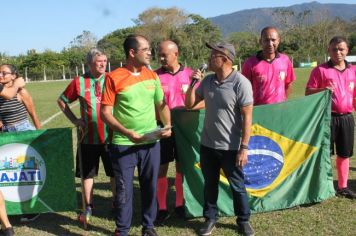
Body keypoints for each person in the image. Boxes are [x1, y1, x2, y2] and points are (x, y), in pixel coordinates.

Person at [100, 35, 171, 236]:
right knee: (124, 191)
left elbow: (161, 104)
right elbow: (105, 113)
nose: (150, 53)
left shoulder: (152, 75)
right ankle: (122, 230)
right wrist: (128, 133)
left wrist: (167, 125)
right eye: (146, 49)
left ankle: (148, 227)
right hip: (124, 144)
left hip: (151, 143)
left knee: (150, 186)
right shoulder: (114, 77)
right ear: (132, 52)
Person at [185, 42, 254, 236]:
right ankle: (210, 218)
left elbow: (247, 116)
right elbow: (189, 105)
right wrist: (193, 84)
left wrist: (244, 147)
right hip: (208, 145)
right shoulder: (207, 81)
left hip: (231, 147)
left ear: (224, 59)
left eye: (213, 55)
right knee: (210, 184)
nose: (208, 58)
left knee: (237, 186)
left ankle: (243, 220)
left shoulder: (241, 83)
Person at [57, 48, 116, 222]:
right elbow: (61, 101)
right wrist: (75, 120)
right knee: (87, 174)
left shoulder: (112, 79)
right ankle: (88, 206)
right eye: (99, 61)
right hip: (87, 138)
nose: (103, 64)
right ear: (90, 63)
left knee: (115, 172)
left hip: (112, 137)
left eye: (105, 61)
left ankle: (117, 203)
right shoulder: (79, 82)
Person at [154, 40, 204, 225]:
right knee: (161, 167)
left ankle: (179, 204)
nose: (160, 58)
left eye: (164, 55)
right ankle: (161, 207)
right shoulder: (154, 76)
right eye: (159, 54)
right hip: (163, 128)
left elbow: (202, 100)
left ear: (176, 54)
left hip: (185, 129)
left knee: (182, 165)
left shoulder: (191, 75)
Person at [305, 36, 356, 199]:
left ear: (347, 50)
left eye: (341, 49)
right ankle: (323, 186)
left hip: (347, 117)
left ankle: (342, 186)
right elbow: (308, 91)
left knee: (344, 153)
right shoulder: (320, 70)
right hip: (327, 118)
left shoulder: (353, 70)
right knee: (325, 153)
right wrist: (322, 89)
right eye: (334, 49)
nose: (338, 52)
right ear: (329, 50)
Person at [242, 26, 296, 105]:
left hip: (279, 110)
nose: (270, 44)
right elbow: (244, 90)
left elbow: (288, 85)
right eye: (266, 40)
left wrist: (283, 101)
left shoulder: (285, 60)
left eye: (273, 40)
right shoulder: (250, 63)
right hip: (259, 111)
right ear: (261, 41)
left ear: (278, 41)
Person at [0, 64, 40, 132]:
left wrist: (40, 134)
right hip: (6, 132)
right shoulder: (1, 93)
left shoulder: (21, 92)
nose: (0, 75)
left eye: (4, 73)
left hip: (24, 129)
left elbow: (33, 114)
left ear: (13, 76)